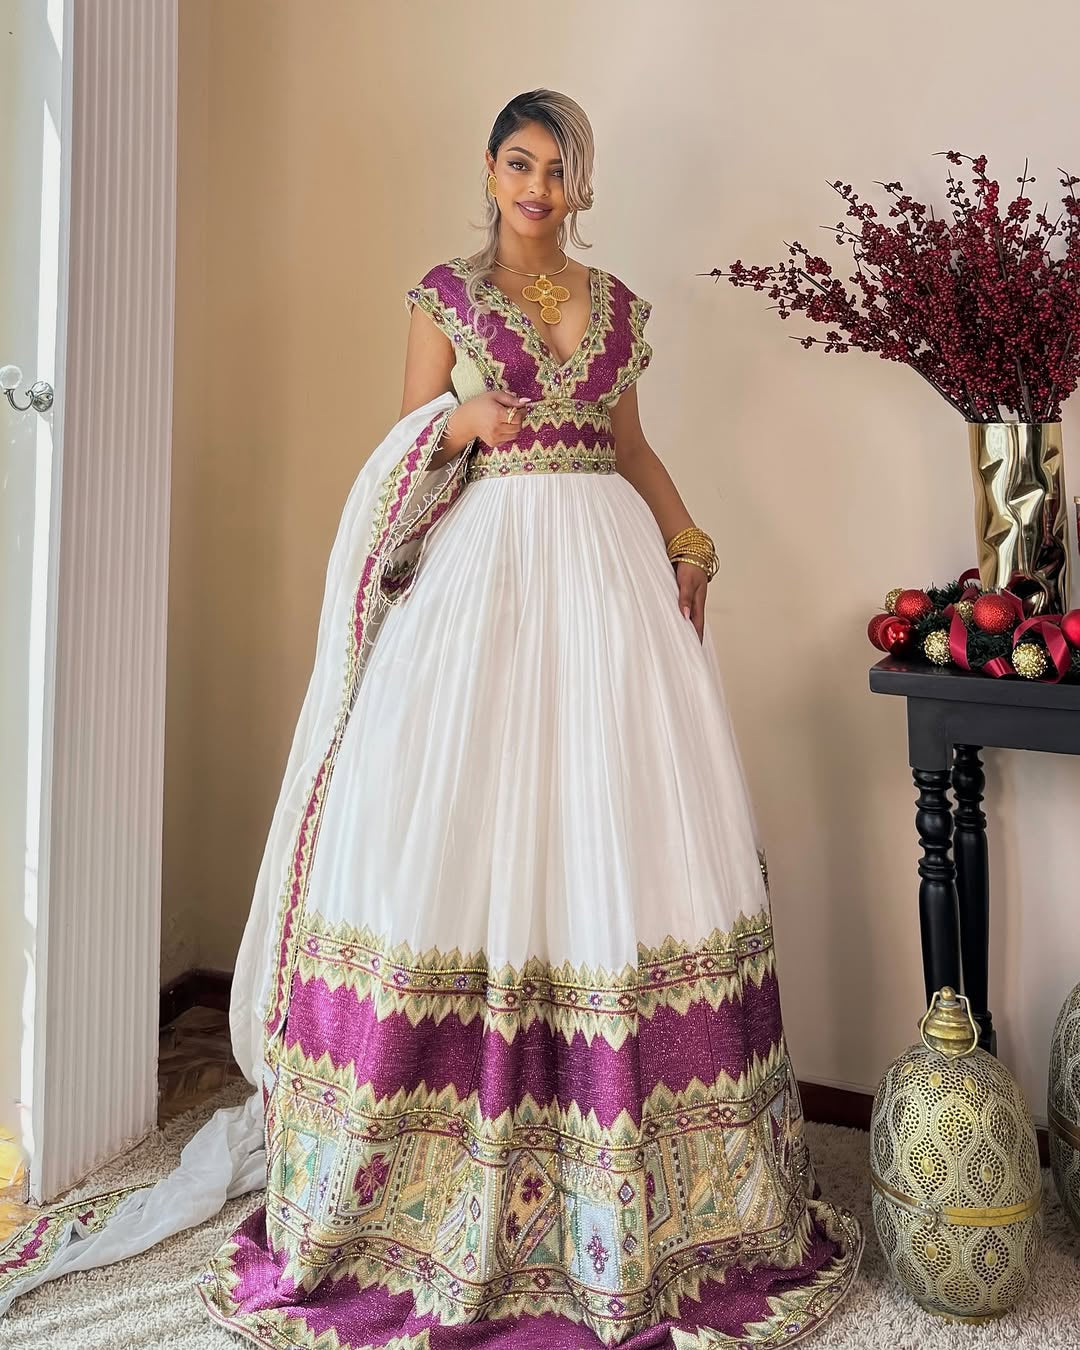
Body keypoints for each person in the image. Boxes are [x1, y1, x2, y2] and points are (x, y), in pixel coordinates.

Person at [0, 89, 860, 1347]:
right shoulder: (443, 297)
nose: (537, 186)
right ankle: (418, 1186)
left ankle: (643, 1189)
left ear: (580, 185)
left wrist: (690, 541)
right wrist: (456, 420)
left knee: (608, 838)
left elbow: (633, 447)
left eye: (559, 170)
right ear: (490, 168)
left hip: (608, 587)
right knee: (464, 830)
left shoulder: (615, 306)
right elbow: (401, 444)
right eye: (520, 162)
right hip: (482, 583)